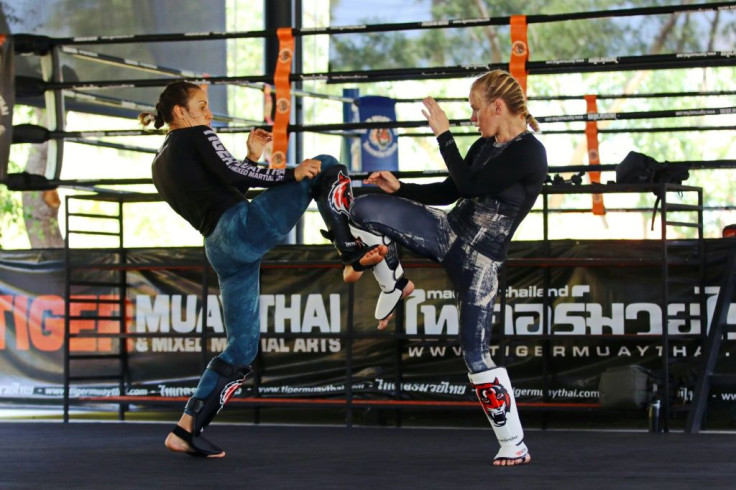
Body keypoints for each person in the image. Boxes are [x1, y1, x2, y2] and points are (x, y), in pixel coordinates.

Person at [140, 81, 386, 458]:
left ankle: (186, 429)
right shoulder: (197, 135)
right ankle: (350, 253)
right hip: (239, 229)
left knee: (242, 348)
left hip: (219, 248)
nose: (208, 114)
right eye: (202, 106)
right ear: (179, 112)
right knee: (327, 165)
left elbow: (225, 188)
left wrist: (252, 156)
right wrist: (293, 173)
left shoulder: (159, 162)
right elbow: (238, 177)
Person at [347, 70, 548, 466]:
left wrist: (443, 135)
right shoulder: (483, 144)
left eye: (476, 110)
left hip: (480, 262)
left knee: (475, 355)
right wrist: (400, 188)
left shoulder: (530, 152)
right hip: (447, 231)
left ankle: (514, 442)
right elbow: (452, 189)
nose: (473, 119)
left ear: (498, 106)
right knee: (361, 207)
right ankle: (395, 283)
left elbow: (473, 185)